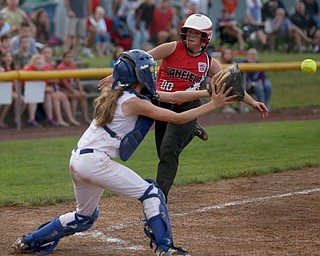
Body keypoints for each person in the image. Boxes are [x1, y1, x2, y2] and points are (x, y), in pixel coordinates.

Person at [13, 49, 238, 256]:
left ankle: (28, 240)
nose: (152, 73)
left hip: (78, 160)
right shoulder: (133, 102)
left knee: (85, 217)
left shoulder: (120, 93)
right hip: (95, 162)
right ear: (138, 76)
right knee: (152, 193)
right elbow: (177, 118)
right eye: (148, 70)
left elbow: (174, 97)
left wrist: (209, 93)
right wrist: (214, 105)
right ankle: (165, 249)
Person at [98, 14, 269, 200]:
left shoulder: (209, 63)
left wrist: (253, 102)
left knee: (169, 151)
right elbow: (140, 59)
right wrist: (115, 76)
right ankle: (191, 129)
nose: (191, 37)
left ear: (206, 38)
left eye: (196, 34)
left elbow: (231, 85)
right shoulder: (172, 47)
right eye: (188, 32)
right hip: (163, 104)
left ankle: (159, 198)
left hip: (188, 106)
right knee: (162, 152)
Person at [41, 46, 80, 126]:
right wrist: (52, 80)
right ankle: (59, 119)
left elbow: (56, 79)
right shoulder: (40, 64)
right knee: (56, 96)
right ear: (41, 54)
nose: (47, 55)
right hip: (44, 88)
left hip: (52, 87)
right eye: (45, 52)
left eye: (49, 53)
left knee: (63, 96)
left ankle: (70, 118)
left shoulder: (51, 65)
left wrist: (52, 80)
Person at [56, 50, 91, 124]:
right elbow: (64, 83)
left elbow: (78, 80)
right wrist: (74, 91)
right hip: (61, 88)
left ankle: (86, 118)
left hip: (70, 87)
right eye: (68, 57)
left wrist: (81, 90)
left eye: (71, 57)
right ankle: (72, 118)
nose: (70, 59)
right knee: (75, 96)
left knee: (83, 96)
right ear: (63, 58)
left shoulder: (73, 66)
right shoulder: (61, 67)